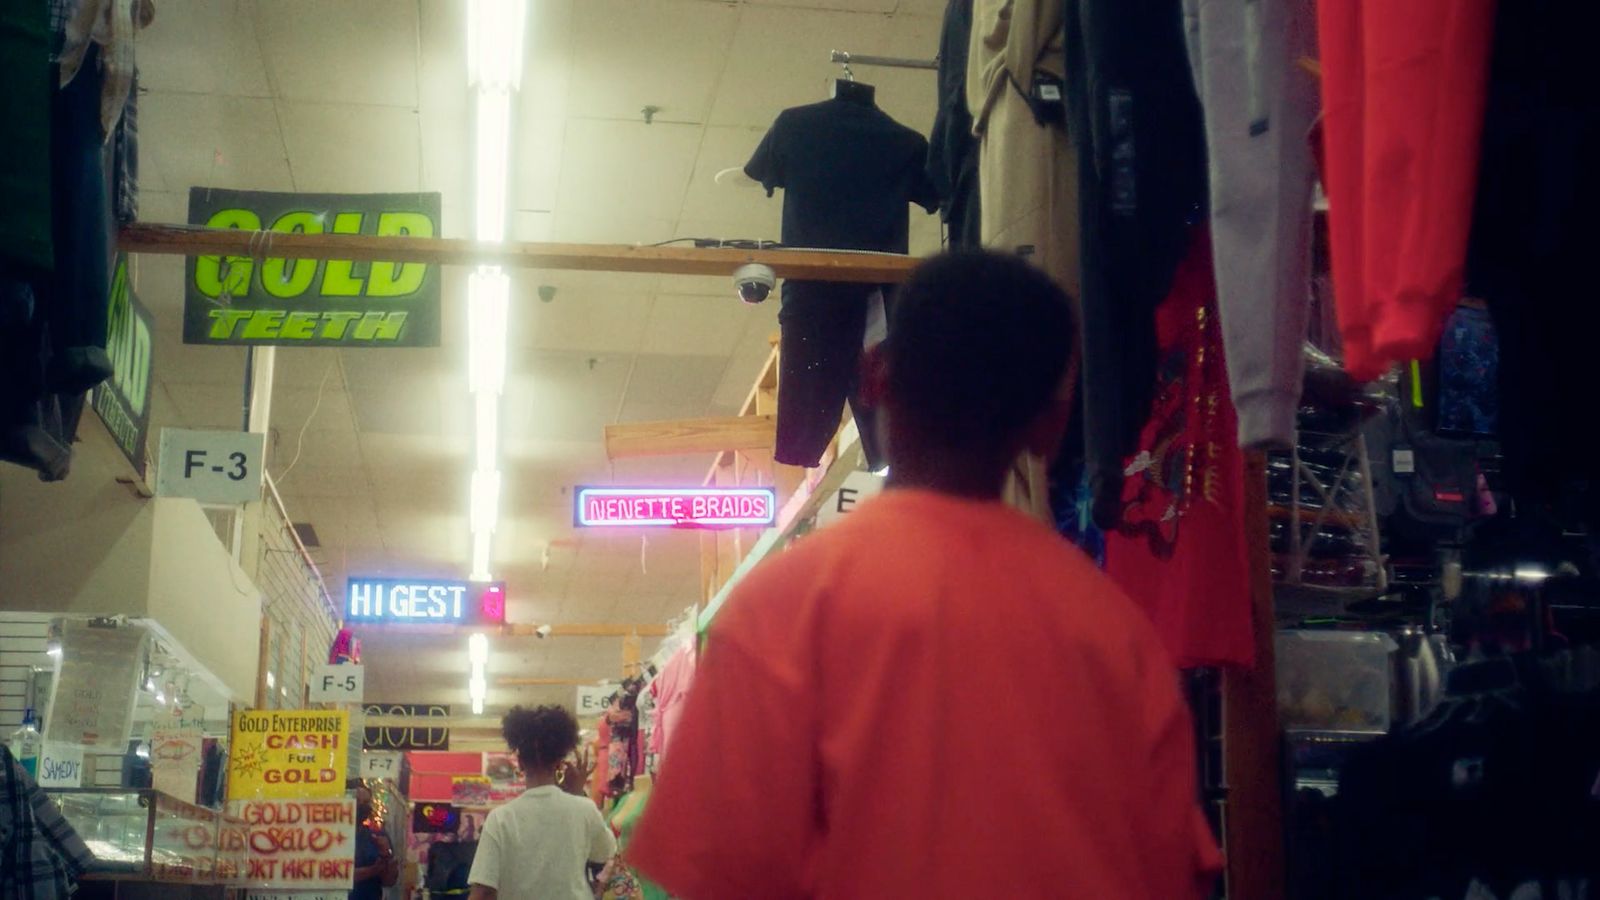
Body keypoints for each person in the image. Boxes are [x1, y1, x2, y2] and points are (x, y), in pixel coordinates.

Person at [627, 251, 1223, 898]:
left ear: (874, 375)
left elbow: (716, 876)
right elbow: (1171, 874)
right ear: (1051, 427)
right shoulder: (1118, 637)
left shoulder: (781, 611)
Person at [468, 706, 617, 900]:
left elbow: (483, 890)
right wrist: (578, 793)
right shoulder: (584, 809)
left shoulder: (501, 818)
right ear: (559, 762)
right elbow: (606, 854)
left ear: (520, 762)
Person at [349, 783, 394, 900]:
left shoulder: (378, 836)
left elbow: (389, 881)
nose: (362, 806)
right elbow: (336, 876)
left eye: (366, 802)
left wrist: (386, 855)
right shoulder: (329, 835)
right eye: (357, 801)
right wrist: (373, 870)